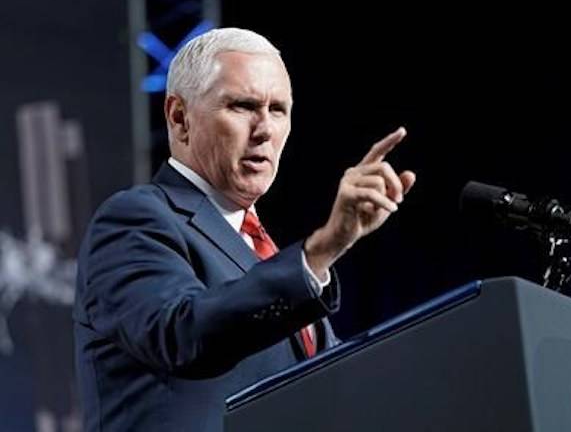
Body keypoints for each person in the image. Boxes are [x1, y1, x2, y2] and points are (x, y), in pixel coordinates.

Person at [73, 27, 415, 431]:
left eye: (278, 110)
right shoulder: (135, 220)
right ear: (179, 118)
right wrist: (323, 249)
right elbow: (184, 334)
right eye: (242, 106)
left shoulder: (262, 251)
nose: (265, 129)